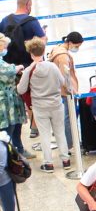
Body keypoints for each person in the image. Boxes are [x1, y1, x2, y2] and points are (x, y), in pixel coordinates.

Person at [17, 38, 69, 173]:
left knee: (45, 135)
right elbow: (63, 81)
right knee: (60, 132)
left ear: (30, 53)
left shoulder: (29, 70)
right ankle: (65, 160)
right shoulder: (52, 66)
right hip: (56, 104)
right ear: (44, 50)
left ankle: (49, 164)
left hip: (40, 107)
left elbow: (21, 90)